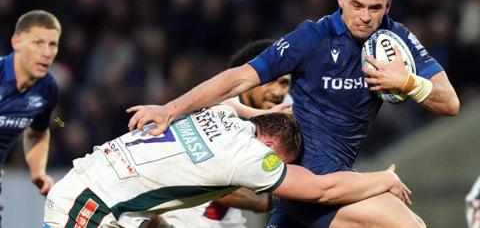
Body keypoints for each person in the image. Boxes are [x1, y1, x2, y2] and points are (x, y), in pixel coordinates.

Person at [127, 0, 460, 227]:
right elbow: (241, 78)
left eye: (374, 8)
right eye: (356, 4)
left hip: (329, 183)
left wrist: (407, 83)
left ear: (388, 5)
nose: (364, 16)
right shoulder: (312, 38)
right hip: (309, 183)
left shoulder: (395, 40)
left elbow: (450, 102)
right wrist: (171, 108)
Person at [44, 103, 411, 228]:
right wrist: (383, 179)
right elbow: (322, 189)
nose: (266, 178)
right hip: (90, 209)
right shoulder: (251, 155)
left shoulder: (219, 114)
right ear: (269, 147)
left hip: (90, 192)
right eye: (278, 163)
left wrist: (270, 112)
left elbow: (233, 105)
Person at [158, 39, 291, 228]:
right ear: (253, 79)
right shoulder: (219, 112)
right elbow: (219, 184)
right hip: (189, 215)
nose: (278, 91)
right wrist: (281, 203)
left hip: (225, 218)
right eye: (270, 81)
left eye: (284, 83)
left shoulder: (282, 110)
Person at [0, 10, 60, 225]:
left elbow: (37, 133)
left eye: (52, 44)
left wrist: (38, 172)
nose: (46, 52)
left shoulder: (47, 89)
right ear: (17, 42)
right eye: (38, 43)